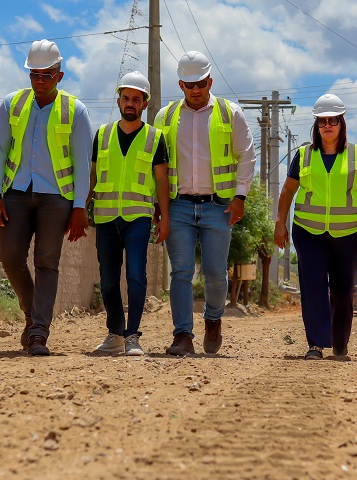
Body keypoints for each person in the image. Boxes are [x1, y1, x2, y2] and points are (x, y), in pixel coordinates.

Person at [0, 39, 93, 356]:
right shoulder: (11, 104)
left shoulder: (76, 110)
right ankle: (32, 315)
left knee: (47, 262)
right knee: (10, 259)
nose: (40, 81)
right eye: (35, 74)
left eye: (47, 75)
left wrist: (79, 207)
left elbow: (82, 163)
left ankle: (38, 333)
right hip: (16, 195)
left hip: (56, 198)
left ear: (60, 75)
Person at [154, 51, 256, 355]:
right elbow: (156, 164)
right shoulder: (165, 117)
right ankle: (182, 334)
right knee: (181, 271)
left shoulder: (230, 113)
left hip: (218, 206)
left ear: (209, 81)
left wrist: (240, 196)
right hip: (179, 205)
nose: (195, 90)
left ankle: (213, 320)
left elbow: (247, 156)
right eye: (189, 84)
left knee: (215, 273)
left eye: (200, 83)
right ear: (181, 84)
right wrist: (159, 207)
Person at [274, 93, 357, 360]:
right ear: (316, 126)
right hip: (309, 232)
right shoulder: (303, 156)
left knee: (343, 291)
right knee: (313, 286)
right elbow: (287, 192)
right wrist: (280, 223)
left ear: (342, 123)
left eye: (333, 120)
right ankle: (316, 344)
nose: (327, 125)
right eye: (322, 121)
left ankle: (340, 343)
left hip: (347, 234)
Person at [89, 72, 170, 355]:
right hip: (106, 217)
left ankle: (132, 335)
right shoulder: (102, 135)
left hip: (138, 216)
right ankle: (115, 334)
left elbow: (162, 181)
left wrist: (165, 218)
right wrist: (79, 209)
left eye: (136, 99)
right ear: (119, 100)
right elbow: (91, 176)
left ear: (145, 104)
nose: (130, 103)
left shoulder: (154, 138)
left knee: (136, 275)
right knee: (108, 279)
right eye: (126, 98)